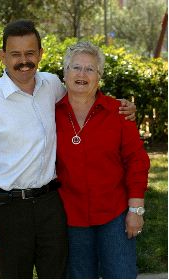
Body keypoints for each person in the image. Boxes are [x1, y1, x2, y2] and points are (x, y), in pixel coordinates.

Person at [0, 20, 136, 279]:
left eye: (30, 53)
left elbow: (84, 95)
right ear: (2, 57)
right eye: (15, 54)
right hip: (6, 209)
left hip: (50, 206)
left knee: (57, 275)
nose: (24, 61)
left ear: (41, 54)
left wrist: (121, 107)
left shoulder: (51, 86)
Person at [55, 41, 150, 279]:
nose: (82, 74)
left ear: (99, 77)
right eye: (76, 67)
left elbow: (137, 161)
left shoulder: (118, 112)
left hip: (114, 214)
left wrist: (136, 209)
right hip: (70, 214)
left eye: (90, 69)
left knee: (121, 274)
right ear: (64, 74)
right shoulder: (49, 112)